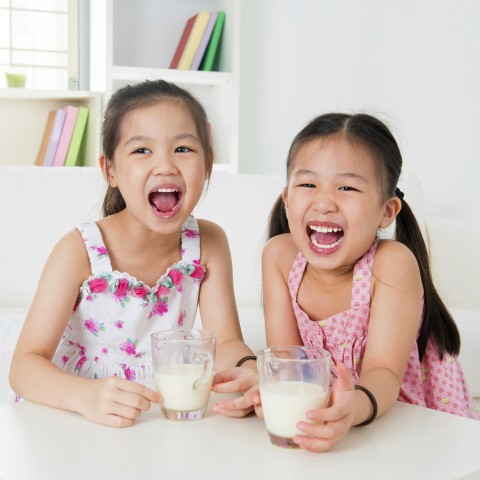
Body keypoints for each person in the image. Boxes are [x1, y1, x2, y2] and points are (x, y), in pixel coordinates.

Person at [9, 79, 257, 427]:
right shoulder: (79, 251)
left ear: (208, 165)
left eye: (183, 149)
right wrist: (84, 397)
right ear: (110, 169)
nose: (166, 165)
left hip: (159, 413)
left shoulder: (208, 242)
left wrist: (253, 371)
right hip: (73, 414)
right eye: (142, 150)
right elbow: (24, 366)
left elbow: (228, 341)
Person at [255, 112, 480, 452]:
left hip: (403, 420)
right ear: (287, 201)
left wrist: (351, 408)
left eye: (347, 187)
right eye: (308, 184)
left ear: (387, 211)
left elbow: (383, 374)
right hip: (328, 418)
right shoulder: (279, 256)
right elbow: (289, 364)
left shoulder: (391, 263)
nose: (324, 202)